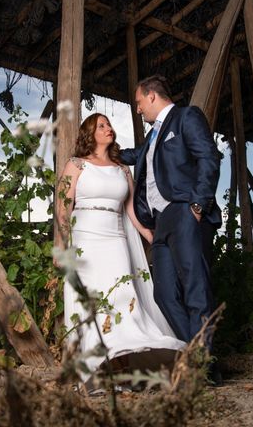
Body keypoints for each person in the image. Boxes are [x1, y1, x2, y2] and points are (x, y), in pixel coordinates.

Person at [57, 113, 186, 384]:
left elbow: (132, 211)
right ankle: (97, 367)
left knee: (123, 297)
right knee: (91, 300)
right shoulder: (76, 165)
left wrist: (152, 237)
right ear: (89, 134)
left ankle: (124, 365)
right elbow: (63, 207)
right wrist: (62, 245)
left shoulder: (122, 168)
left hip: (115, 239)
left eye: (109, 125)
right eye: (101, 126)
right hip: (85, 240)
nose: (108, 129)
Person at [120, 74, 222, 347]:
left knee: (195, 288)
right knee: (164, 294)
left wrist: (198, 206)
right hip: (161, 220)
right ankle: (196, 352)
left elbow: (208, 157)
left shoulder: (186, 117)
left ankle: (206, 367)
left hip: (186, 212)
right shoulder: (153, 137)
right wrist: (100, 150)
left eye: (139, 102)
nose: (138, 108)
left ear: (152, 96)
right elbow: (134, 156)